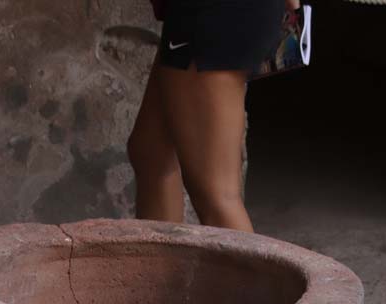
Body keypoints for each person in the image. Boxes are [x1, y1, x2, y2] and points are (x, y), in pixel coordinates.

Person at [128, 0, 300, 232]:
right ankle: (159, 255)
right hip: (200, 13)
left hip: (214, 13)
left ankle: (246, 258)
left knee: (217, 197)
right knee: (151, 152)